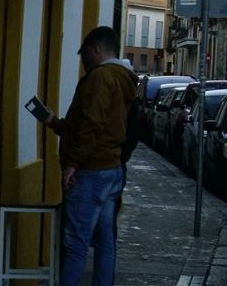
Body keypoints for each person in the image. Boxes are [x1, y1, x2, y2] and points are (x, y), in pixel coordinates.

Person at [45, 27, 136, 286]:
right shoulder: (123, 78)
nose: (83, 63)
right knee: (105, 241)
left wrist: (72, 163)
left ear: (95, 50)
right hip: (111, 169)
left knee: (76, 244)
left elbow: (92, 124)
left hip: (91, 171)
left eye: (84, 55)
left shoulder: (100, 78)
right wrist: (55, 123)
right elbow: (101, 123)